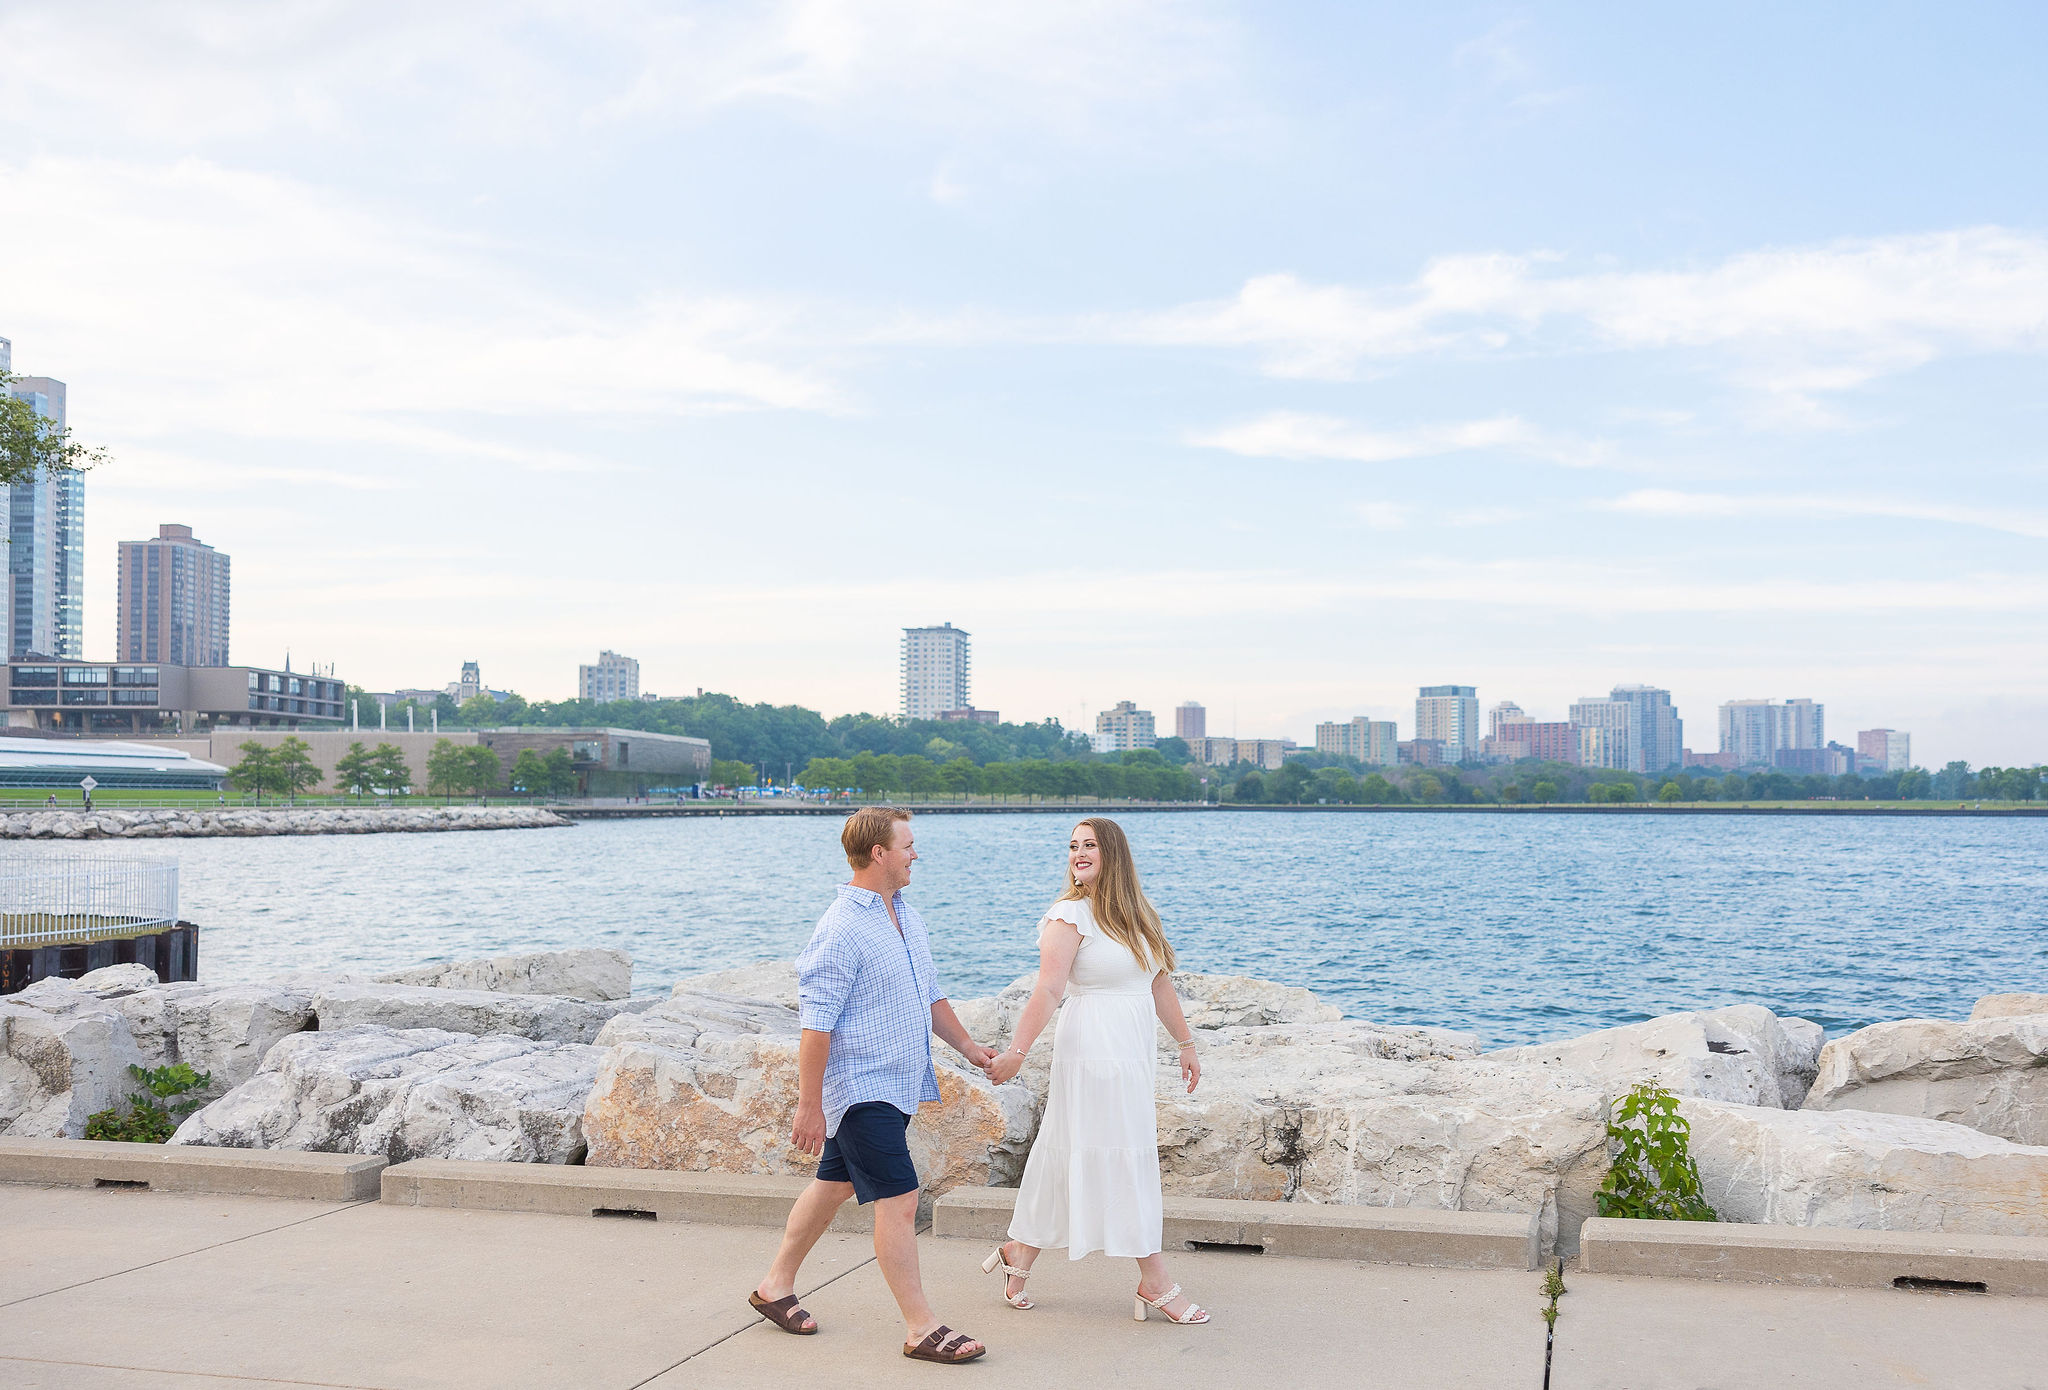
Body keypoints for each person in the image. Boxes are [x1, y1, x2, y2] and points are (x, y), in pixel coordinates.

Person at [749, 805, 995, 1365]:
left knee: (833, 1186)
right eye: (908, 845)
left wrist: (972, 1050)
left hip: (900, 1081)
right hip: (860, 1087)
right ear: (878, 852)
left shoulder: (906, 915)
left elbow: (929, 997)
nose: (916, 854)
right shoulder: (840, 927)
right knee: (900, 1198)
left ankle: (774, 1287)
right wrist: (810, 1105)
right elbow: (817, 1025)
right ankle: (920, 1328)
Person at [980, 818, 1210, 1325]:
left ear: (1113, 854)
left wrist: (1186, 1044)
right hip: (1092, 1051)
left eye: (1089, 845)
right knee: (1117, 1153)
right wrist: (1017, 1050)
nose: (1077, 853)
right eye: (1072, 846)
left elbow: (1158, 986)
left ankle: (1019, 1252)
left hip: (1132, 1054)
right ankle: (1156, 1282)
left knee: (1073, 1151)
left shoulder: (1140, 916)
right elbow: (1046, 989)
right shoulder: (1068, 915)